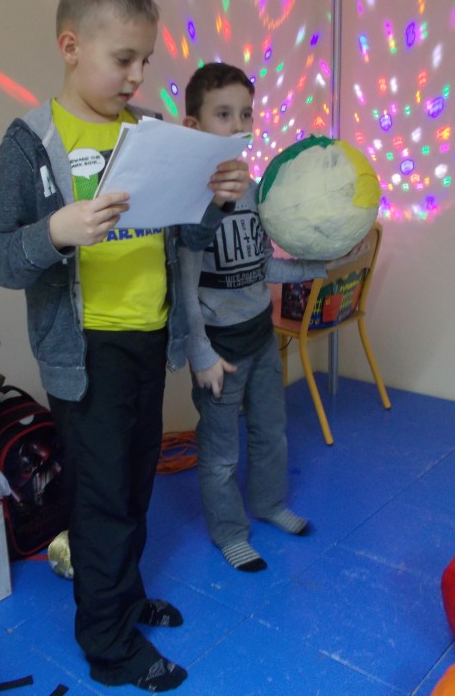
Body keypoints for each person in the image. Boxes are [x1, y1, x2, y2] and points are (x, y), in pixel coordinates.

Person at [0, 0, 249, 693]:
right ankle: (107, 645)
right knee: (100, 501)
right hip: (85, 354)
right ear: (71, 46)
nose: (137, 76)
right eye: (123, 58)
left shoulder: (151, 131)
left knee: (133, 484)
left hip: (148, 339)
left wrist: (217, 198)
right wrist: (55, 232)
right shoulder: (30, 141)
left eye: (144, 61)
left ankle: (123, 600)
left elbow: (187, 238)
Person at [179, 62, 362, 573]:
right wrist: (200, 354)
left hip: (261, 338)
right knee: (220, 452)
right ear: (193, 125)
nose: (238, 125)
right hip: (219, 353)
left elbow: (262, 268)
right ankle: (229, 531)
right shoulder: (189, 202)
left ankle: (269, 503)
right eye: (223, 114)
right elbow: (183, 288)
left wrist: (318, 266)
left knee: (271, 430)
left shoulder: (256, 191)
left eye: (246, 114)